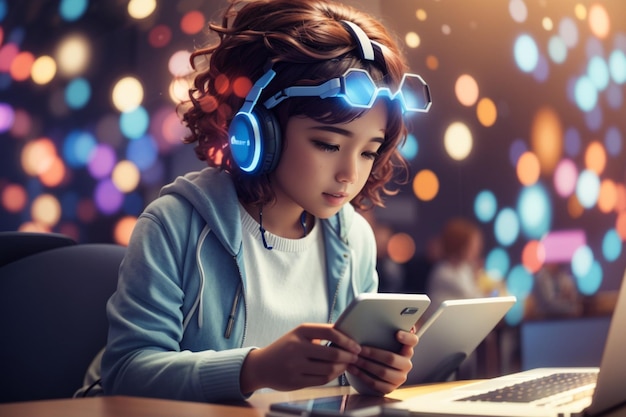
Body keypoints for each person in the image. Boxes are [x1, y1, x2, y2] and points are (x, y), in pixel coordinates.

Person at [94, 0, 432, 403]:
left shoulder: (354, 239)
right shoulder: (173, 224)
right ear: (256, 132)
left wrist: (375, 374)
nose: (349, 174)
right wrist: (254, 369)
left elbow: (340, 390)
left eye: (368, 152)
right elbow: (126, 373)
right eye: (327, 144)